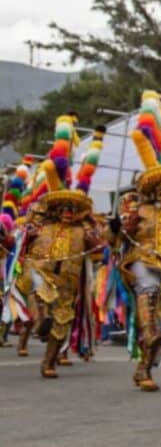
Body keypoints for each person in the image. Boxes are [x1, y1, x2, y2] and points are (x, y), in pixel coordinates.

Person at [9, 115, 108, 379]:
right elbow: (19, 242)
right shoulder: (41, 225)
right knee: (40, 300)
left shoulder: (83, 229)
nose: (67, 212)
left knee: (62, 322)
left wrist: (99, 226)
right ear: (55, 208)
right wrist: (23, 228)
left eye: (72, 208)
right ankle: (39, 322)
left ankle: (49, 361)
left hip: (68, 281)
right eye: (63, 208)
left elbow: (99, 249)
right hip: (38, 272)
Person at [114, 93, 161, 391]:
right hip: (142, 262)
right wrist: (120, 227)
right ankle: (145, 356)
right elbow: (115, 240)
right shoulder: (135, 207)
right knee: (148, 298)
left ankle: (144, 369)